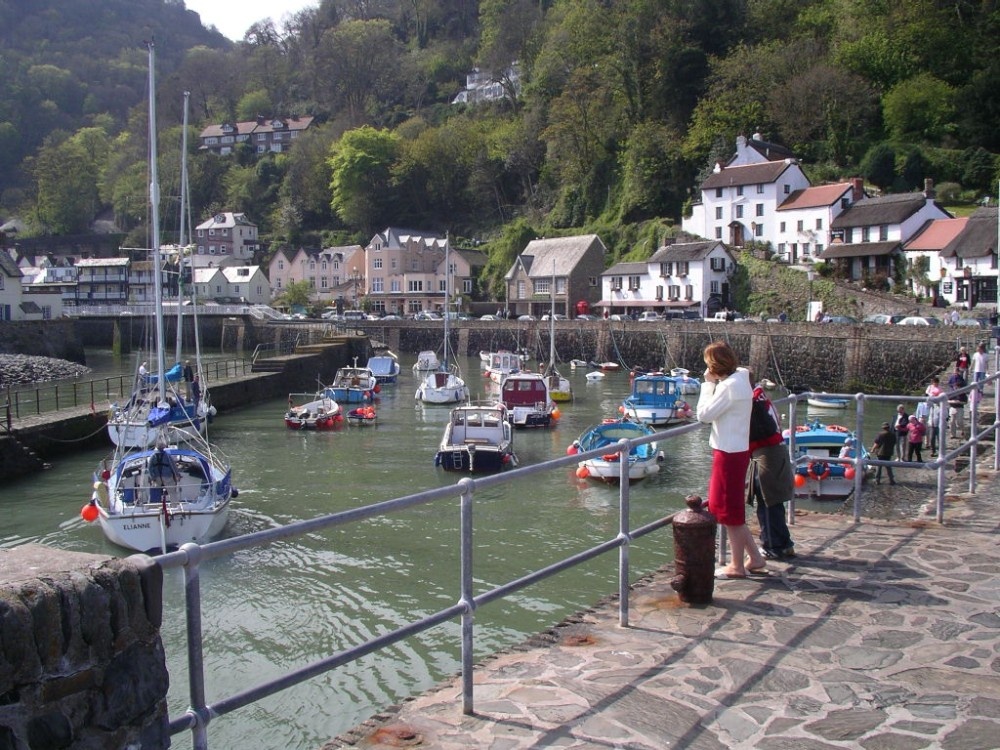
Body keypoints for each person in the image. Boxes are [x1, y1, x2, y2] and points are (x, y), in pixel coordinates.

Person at [696, 341, 766, 579]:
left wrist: (707, 385)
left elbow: (704, 415)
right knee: (728, 507)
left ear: (715, 366)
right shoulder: (741, 380)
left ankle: (737, 566)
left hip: (728, 453)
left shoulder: (728, 387)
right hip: (737, 450)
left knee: (727, 510)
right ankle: (754, 557)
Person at [746, 384, 795, 560]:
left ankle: (772, 546)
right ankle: (784, 544)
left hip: (766, 454)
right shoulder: (760, 397)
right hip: (776, 451)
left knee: (767, 503)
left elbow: (754, 431)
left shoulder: (750, 402)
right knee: (774, 503)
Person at [947, 371, 968, 440]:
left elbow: (965, 402)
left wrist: (959, 402)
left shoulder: (962, 394)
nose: (956, 388)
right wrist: (952, 401)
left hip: (960, 408)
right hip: (952, 408)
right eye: (955, 387)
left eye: (958, 387)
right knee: (952, 422)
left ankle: (963, 430)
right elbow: (947, 400)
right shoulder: (951, 393)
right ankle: (953, 434)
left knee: (959, 422)